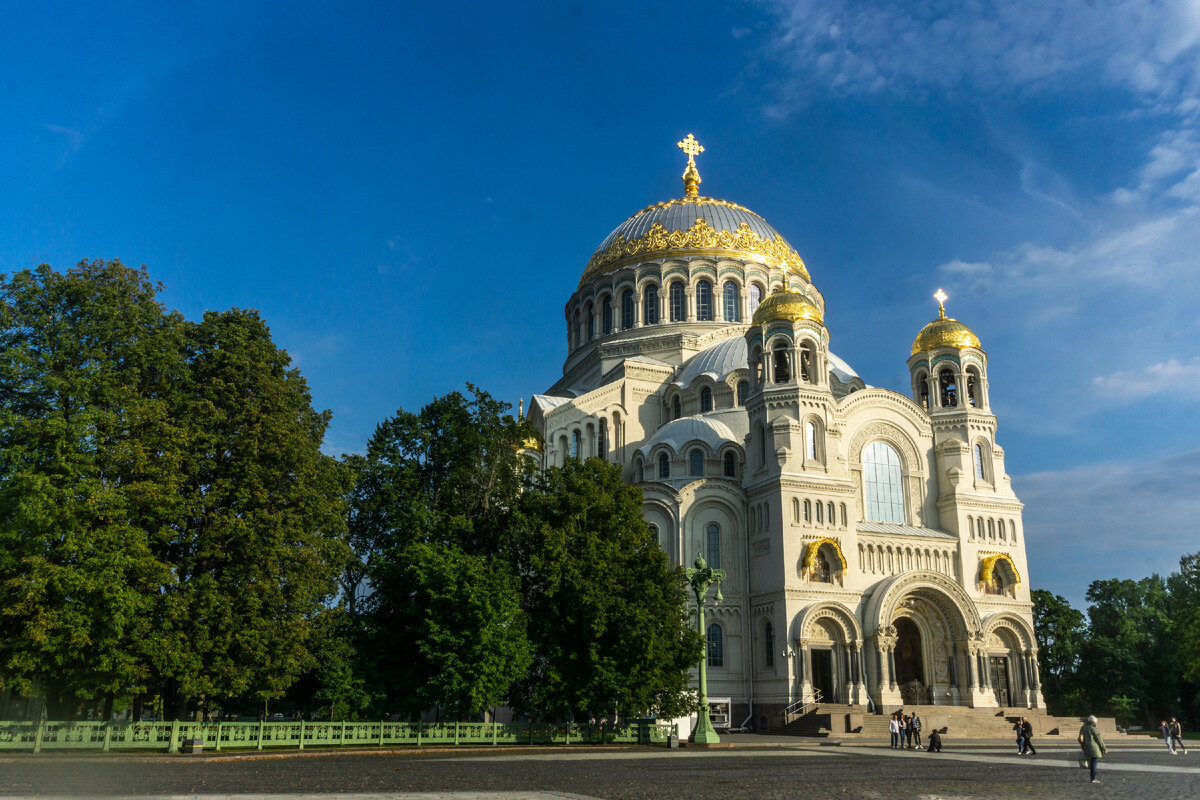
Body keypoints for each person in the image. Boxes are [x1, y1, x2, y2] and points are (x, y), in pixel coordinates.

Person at [1078, 715, 1108, 783]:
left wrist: (1083, 747)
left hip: (1086, 747)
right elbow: (1099, 740)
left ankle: (1092, 777)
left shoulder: (1083, 728)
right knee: (1094, 763)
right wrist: (1104, 748)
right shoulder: (1094, 729)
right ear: (1093, 722)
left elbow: (1080, 739)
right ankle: (1093, 778)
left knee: (1091, 762)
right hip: (1094, 748)